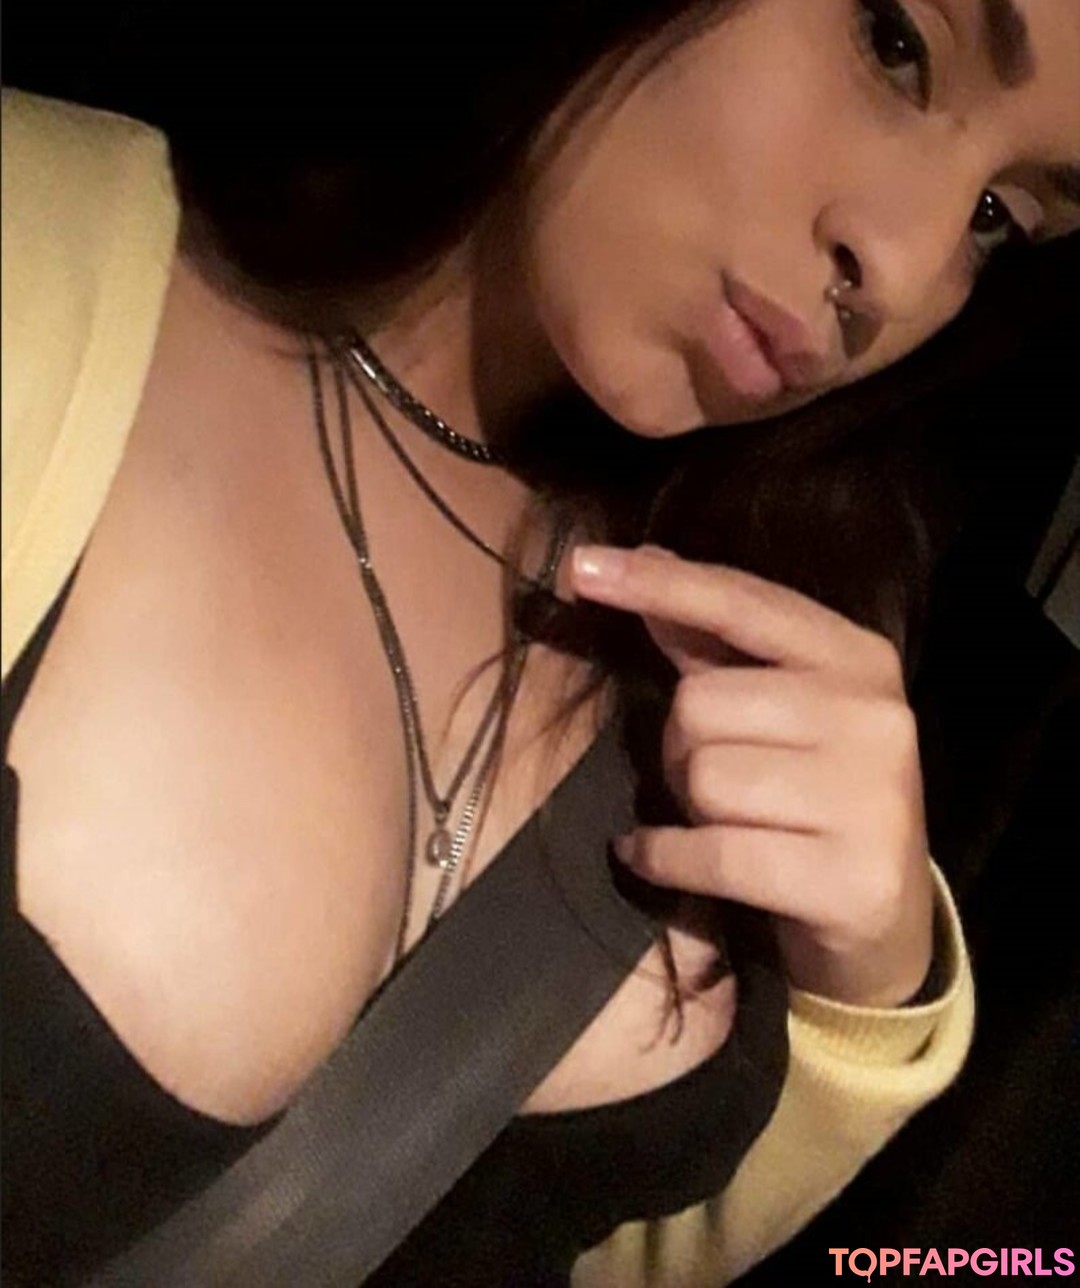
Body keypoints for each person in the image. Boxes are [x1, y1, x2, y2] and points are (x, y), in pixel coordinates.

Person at [2, 0, 1077, 1282]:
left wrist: (864, 994)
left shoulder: (722, 639)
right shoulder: (35, 263)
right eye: (897, 43)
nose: (900, 268)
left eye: (1000, 216)